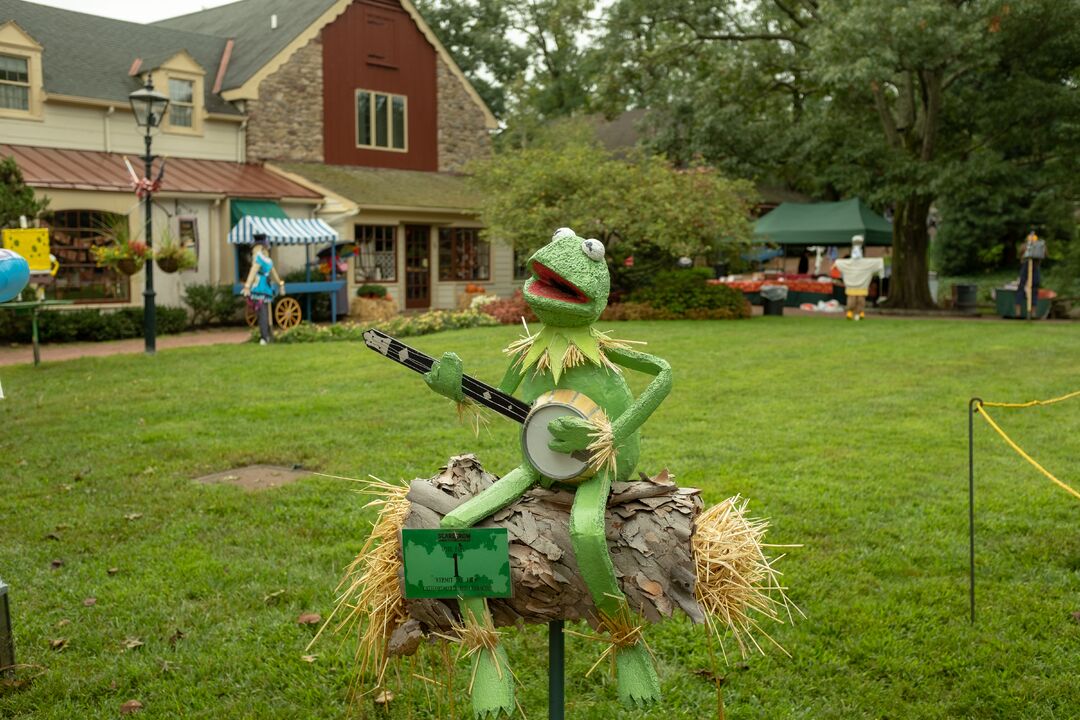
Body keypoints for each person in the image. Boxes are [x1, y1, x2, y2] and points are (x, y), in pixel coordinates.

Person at [241, 233, 285, 344]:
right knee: (265, 311)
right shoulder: (269, 261)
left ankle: (264, 337)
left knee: (261, 312)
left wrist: (247, 285)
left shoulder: (258, 259)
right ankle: (268, 334)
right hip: (267, 287)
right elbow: (275, 275)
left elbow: (253, 272)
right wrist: (280, 284)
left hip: (259, 287)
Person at [833, 235, 884, 321]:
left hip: (861, 285)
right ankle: (850, 312)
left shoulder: (865, 263)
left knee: (860, 299)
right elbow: (839, 263)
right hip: (852, 285)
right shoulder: (849, 263)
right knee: (851, 299)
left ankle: (860, 312)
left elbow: (876, 262)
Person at [1016, 230, 1046, 319]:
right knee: (1021, 286)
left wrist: (1042, 247)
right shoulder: (1024, 246)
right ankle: (1018, 311)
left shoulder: (1040, 247)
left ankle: (1033, 312)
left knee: (1035, 287)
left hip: (1035, 266)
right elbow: (1020, 255)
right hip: (1026, 265)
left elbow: (1044, 254)